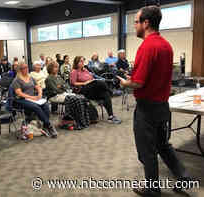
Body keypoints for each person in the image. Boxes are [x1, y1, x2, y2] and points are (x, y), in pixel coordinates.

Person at [118, 6, 193, 197]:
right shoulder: (166, 45)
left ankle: (152, 189)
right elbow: (153, 75)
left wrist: (125, 82)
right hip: (162, 106)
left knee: (146, 151)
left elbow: (137, 82)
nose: (134, 26)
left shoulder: (147, 46)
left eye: (136, 22)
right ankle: (184, 177)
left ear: (146, 23)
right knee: (163, 145)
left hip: (147, 109)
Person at [12, 62, 57, 138]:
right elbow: (19, 93)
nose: (26, 69)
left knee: (45, 105)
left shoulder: (30, 77)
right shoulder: (17, 80)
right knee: (36, 107)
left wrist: (39, 93)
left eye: (27, 67)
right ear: (20, 70)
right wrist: (32, 97)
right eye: (24, 68)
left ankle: (45, 126)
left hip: (32, 98)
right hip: (21, 100)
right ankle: (49, 125)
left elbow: (38, 87)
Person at [70, 56, 121, 124]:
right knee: (99, 82)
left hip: (92, 88)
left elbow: (92, 77)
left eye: (83, 61)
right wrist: (84, 83)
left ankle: (111, 116)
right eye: (80, 61)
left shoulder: (85, 70)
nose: (82, 63)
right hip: (83, 90)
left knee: (106, 94)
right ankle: (112, 91)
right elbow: (73, 83)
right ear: (76, 63)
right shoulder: (74, 71)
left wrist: (91, 80)